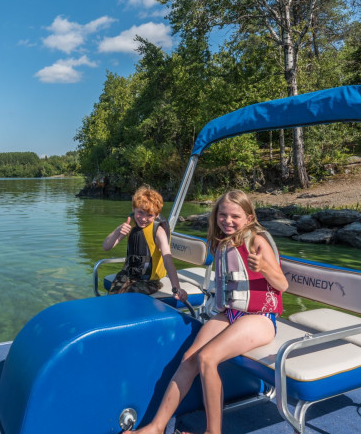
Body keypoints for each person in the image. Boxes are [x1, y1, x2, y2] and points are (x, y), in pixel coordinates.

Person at [129, 190, 288, 434]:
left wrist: (265, 267)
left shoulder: (257, 241)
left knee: (207, 358)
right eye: (222, 214)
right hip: (232, 313)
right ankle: (156, 426)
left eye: (235, 216)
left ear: (249, 218)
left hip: (259, 317)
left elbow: (282, 285)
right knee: (189, 359)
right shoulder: (222, 241)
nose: (228, 220)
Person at [103, 186, 187, 301]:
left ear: (156, 215)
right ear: (134, 209)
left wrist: (176, 288)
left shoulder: (158, 232)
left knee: (126, 298)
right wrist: (118, 230)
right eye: (140, 213)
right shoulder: (131, 223)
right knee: (111, 300)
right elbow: (106, 247)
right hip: (128, 275)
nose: (143, 219)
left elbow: (167, 259)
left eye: (149, 215)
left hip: (149, 281)